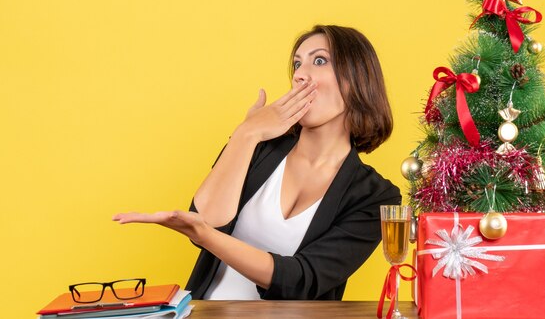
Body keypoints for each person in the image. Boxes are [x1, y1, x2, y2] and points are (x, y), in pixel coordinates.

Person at [113, 25, 401, 300]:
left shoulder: (376, 197)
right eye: (297, 65)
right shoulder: (258, 146)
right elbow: (209, 218)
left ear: (357, 80)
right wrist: (246, 133)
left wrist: (205, 236)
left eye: (320, 61)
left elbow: (303, 280)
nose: (300, 75)